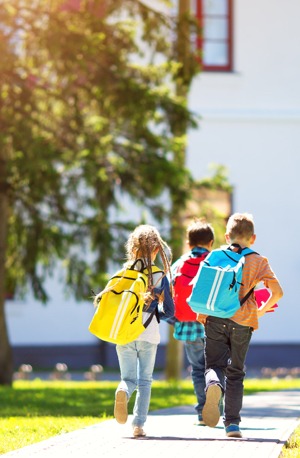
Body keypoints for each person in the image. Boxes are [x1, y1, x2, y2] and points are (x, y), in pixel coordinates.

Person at [197, 212, 284, 438]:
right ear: (253, 238)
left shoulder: (214, 256)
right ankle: (232, 425)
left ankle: (214, 384)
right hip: (243, 322)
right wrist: (260, 310)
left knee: (213, 365)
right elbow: (278, 293)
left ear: (227, 236)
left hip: (214, 319)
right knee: (235, 372)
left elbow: (202, 287)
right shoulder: (259, 260)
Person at [112, 224, 174, 438]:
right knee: (145, 380)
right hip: (149, 333)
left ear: (132, 249)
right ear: (157, 250)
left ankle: (122, 391)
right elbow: (170, 310)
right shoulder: (159, 276)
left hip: (124, 332)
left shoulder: (123, 274)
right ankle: (138, 425)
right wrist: (158, 315)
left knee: (128, 378)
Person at [171, 219, 215, 426]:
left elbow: (168, 292)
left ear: (189, 244)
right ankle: (217, 410)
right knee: (216, 367)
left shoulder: (180, 263)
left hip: (188, 324)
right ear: (211, 242)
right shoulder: (215, 260)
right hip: (215, 323)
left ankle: (201, 412)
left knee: (198, 368)